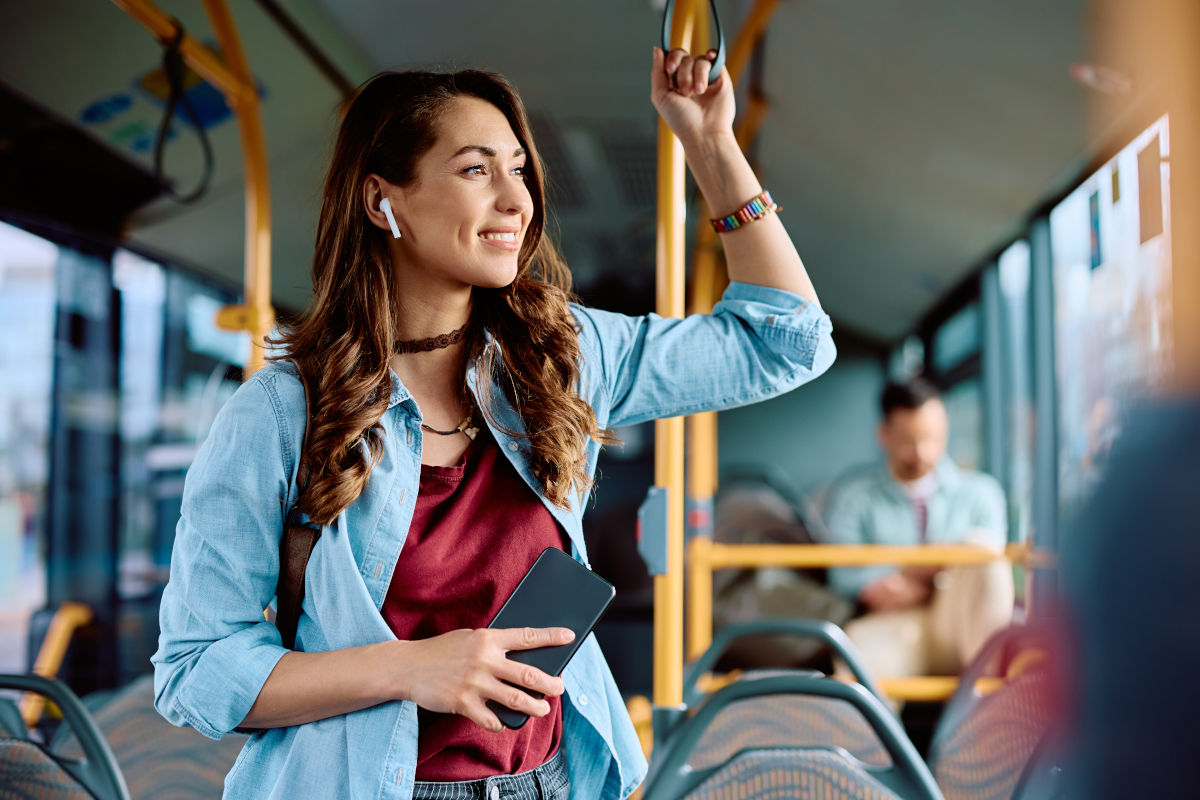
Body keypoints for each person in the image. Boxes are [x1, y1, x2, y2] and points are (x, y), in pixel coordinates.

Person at [151, 47, 836, 800]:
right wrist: (414, 669)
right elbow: (196, 670)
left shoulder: (561, 357)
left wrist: (709, 140)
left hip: (555, 779)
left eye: (518, 169)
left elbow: (787, 341)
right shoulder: (284, 413)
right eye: (477, 170)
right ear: (384, 202)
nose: (517, 201)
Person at [820, 378, 1012, 678]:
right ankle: (866, 726)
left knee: (980, 549)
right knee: (859, 661)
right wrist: (932, 564)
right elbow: (843, 575)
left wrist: (908, 576)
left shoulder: (981, 493)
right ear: (884, 434)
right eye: (909, 441)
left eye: (933, 438)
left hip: (960, 623)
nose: (922, 452)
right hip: (892, 621)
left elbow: (990, 573)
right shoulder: (853, 498)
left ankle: (987, 711)